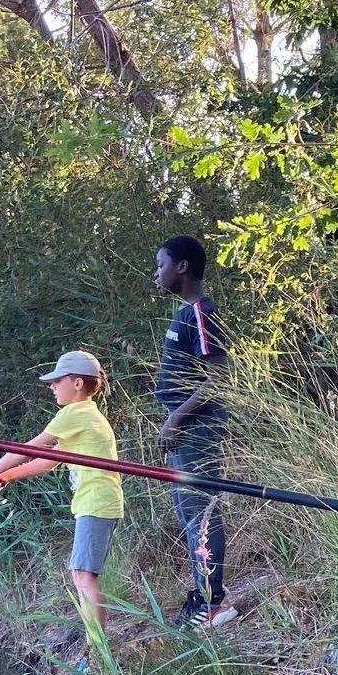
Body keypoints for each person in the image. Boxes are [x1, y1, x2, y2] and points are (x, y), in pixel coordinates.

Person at [0, 350, 124, 653]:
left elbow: (30, 447)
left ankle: (97, 653)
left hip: (96, 502)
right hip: (96, 502)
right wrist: (7, 475)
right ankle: (96, 650)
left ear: (77, 383)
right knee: (81, 574)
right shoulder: (85, 415)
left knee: (83, 575)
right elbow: (47, 461)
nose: (52, 386)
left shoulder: (76, 413)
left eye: (57, 381)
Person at [153, 235, 238, 629]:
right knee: (189, 515)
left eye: (160, 265)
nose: (157, 272)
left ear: (182, 267)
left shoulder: (202, 313)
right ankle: (202, 595)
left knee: (200, 513)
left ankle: (214, 602)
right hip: (183, 429)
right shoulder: (185, 314)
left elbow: (219, 377)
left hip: (195, 430)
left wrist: (175, 420)